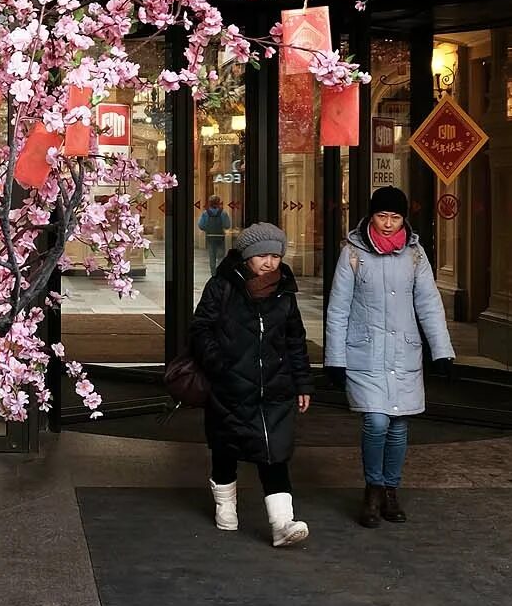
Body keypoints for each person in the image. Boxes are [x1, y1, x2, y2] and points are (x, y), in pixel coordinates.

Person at [325, 186, 454, 528]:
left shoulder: (415, 254)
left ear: (404, 220)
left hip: (404, 351)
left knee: (398, 425)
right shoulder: (353, 252)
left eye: (395, 217)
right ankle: (373, 487)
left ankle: (390, 490)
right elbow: (338, 308)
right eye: (382, 216)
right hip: (365, 351)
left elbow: (428, 303)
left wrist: (441, 351)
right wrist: (334, 358)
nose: (388, 224)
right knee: (377, 421)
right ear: (371, 216)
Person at [189, 221, 313, 548]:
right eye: (262, 256)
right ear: (247, 257)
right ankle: (225, 508)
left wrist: (302, 383)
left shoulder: (284, 290)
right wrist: (221, 366)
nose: (269, 262)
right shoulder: (223, 286)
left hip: (274, 387)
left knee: (274, 452)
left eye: (275, 255)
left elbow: (295, 340)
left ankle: (282, 523)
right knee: (226, 448)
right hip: (231, 385)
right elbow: (201, 330)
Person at [197, 196, 231, 273]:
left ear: (210, 203)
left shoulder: (205, 213)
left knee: (212, 256)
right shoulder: (223, 213)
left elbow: (201, 225)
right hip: (220, 237)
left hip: (210, 236)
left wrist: (207, 229)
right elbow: (227, 225)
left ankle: (213, 273)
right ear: (219, 202)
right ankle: (220, 272)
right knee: (221, 256)